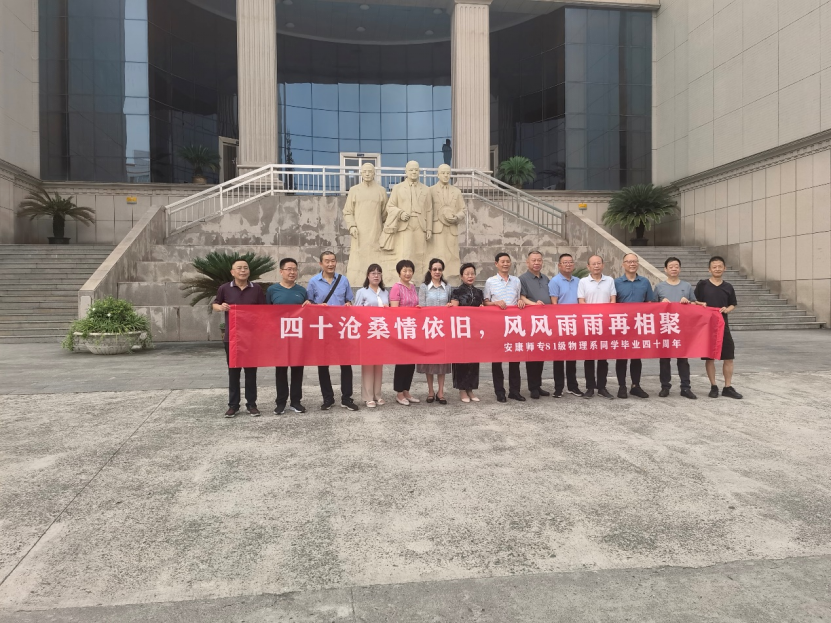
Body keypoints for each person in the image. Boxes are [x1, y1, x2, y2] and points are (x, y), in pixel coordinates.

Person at [306, 251, 360, 412]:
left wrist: (348, 304)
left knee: (346, 363)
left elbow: (348, 300)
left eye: (333, 261)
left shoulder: (343, 280)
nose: (330, 264)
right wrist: (317, 306)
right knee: (323, 364)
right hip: (322, 328)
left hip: (341, 328)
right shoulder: (313, 282)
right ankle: (327, 398)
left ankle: (347, 398)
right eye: (327, 261)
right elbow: (309, 304)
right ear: (320, 264)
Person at [212, 259, 266, 417]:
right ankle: (233, 405)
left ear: (249, 271)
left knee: (251, 373)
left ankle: (252, 404)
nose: (243, 270)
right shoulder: (224, 288)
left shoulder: (256, 289)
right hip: (232, 338)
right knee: (233, 372)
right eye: (239, 268)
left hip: (252, 338)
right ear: (232, 272)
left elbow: (264, 311)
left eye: (246, 268)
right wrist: (221, 307)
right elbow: (215, 304)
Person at [266, 257, 310, 415]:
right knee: (281, 370)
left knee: (297, 369)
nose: (292, 272)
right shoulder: (272, 290)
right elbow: (266, 313)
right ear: (281, 271)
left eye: (295, 269)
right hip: (280, 337)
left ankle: (296, 402)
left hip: (298, 336)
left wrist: (309, 306)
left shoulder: (302, 291)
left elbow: (307, 314)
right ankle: (281, 402)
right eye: (289, 269)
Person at [695, 256, 743, 399]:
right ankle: (713, 386)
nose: (717, 269)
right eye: (714, 267)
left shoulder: (728, 287)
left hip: (723, 325)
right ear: (709, 269)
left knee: (728, 357)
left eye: (720, 266)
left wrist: (727, 309)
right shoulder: (702, 285)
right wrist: (701, 304)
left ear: (724, 268)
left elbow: (733, 303)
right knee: (710, 358)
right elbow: (694, 301)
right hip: (707, 327)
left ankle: (727, 387)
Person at [484, 252, 527, 402]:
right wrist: (495, 303)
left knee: (515, 359)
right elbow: (485, 302)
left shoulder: (516, 280)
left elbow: (519, 298)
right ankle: (499, 392)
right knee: (497, 360)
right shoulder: (490, 281)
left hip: (514, 325)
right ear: (496, 264)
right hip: (496, 325)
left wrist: (521, 301)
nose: (505, 264)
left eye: (508, 261)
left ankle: (514, 391)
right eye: (502, 261)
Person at [654, 256, 699, 399]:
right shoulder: (659, 287)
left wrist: (689, 303)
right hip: (665, 328)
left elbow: (695, 304)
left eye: (676, 266)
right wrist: (661, 303)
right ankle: (665, 387)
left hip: (682, 328)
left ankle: (685, 387)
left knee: (683, 359)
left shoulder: (687, 286)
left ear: (680, 269)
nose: (674, 269)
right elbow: (651, 307)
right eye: (671, 266)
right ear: (665, 269)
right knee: (664, 359)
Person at [381, 160, 433, 276]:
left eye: (416, 170)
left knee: (420, 254)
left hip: (420, 224)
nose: (414, 172)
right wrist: (400, 213)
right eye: (411, 170)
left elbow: (429, 210)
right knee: (406, 253)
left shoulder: (426, 189)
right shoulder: (398, 188)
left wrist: (429, 229)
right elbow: (390, 206)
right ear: (406, 171)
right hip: (405, 225)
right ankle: (405, 278)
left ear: (419, 171)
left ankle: (419, 279)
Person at [613, 253, 654, 399]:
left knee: (637, 356)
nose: (632, 264)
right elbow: (612, 303)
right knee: (621, 357)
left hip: (638, 324)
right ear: (623, 264)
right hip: (622, 325)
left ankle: (635, 386)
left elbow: (649, 302)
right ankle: (622, 386)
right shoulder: (616, 283)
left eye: (634, 261)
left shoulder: (645, 282)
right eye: (629, 261)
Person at [577, 255, 616, 399]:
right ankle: (590, 388)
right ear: (588, 266)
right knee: (589, 358)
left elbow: (613, 300)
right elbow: (581, 301)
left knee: (603, 358)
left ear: (603, 265)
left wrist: (605, 316)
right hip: (589, 324)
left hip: (605, 324)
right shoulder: (583, 282)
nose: (596, 266)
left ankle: (602, 387)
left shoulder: (609, 280)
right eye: (593, 264)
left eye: (599, 263)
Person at [343, 162, 388, 285]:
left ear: (374, 173)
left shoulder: (381, 191)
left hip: (376, 232)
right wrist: (352, 226)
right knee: (358, 259)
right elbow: (347, 211)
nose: (367, 174)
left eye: (370, 171)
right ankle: (356, 282)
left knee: (376, 258)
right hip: (359, 232)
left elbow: (385, 213)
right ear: (361, 173)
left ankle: (377, 282)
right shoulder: (354, 190)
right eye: (365, 171)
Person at [417, 258, 453, 404]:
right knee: (429, 361)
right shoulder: (424, 287)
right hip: (429, 329)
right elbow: (421, 307)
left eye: (439, 269)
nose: (437, 272)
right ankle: (431, 391)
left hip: (443, 329)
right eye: (434, 269)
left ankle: (441, 392)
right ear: (430, 271)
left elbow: (451, 304)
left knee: (442, 361)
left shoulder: (448, 287)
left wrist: (450, 306)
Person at [548, 253, 584, 398]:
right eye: (565, 262)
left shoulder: (579, 281)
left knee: (572, 357)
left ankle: (572, 386)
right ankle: (558, 387)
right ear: (559, 265)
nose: (568, 264)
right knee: (558, 357)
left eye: (570, 262)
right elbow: (554, 303)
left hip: (575, 324)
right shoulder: (555, 281)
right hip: (560, 323)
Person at [354, 263, 389, 408]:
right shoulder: (362, 292)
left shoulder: (385, 292)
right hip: (367, 333)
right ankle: (368, 397)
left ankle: (377, 395)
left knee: (379, 365)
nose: (376, 276)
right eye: (373, 273)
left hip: (381, 333)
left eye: (379, 273)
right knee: (368, 365)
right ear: (368, 276)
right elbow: (356, 312)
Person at [518, 250, 551, 399]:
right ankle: (533, 387)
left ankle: (538, 385)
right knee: (532, 354)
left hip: (545, 321)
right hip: (531, 322)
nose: (537, 263)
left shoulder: (546, 278)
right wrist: (534, 305)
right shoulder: (522, 279)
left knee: (541, 353)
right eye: (534, 260)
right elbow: (522, 298)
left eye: (539, 260)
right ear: (527, 262)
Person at [450, 263, 484, 403]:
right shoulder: (456, 292)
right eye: (467, 274)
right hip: (461, 331)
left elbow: (482, 309)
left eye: (472, 273)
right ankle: (462, 390)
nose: (470, 276)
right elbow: (454, 310)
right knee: (461, 360)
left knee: (474, 361)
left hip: (475, 331)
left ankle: (471, 389)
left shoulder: (479, 292)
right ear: (461, 276)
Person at [389, 259, 421, 406]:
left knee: (411, 362)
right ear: (399, 272)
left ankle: (407, 390)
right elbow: (394, 310)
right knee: (402, 362)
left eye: (410, 271)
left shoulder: (412, 287)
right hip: (401, 329)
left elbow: (415, 304)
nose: (407, 273)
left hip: (412, 329)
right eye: (404, 271)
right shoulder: (396, 288)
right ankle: (399, 393)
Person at [428, 164, 466, 279]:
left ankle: (452, 278)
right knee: (437, 254)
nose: (445, 175)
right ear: (438, 174)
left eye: (448, 173)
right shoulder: (430, 191)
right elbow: (427, 210)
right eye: (443, 173)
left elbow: (463, 210)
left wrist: (457, 217)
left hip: (451, 228)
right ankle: (436, 277)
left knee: (452, 255)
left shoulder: (456, 191)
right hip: (437, 228)